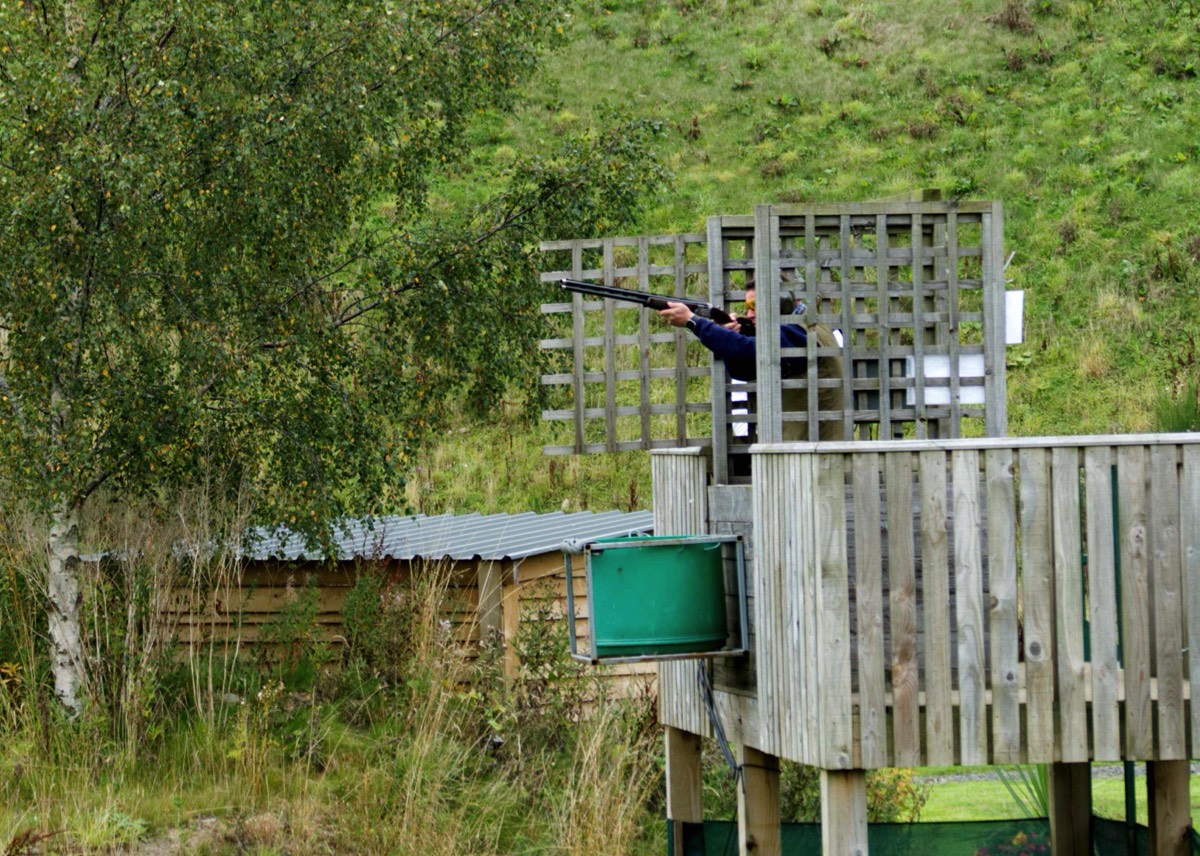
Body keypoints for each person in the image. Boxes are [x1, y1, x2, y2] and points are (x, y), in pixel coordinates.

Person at [657, 285, 845, 441]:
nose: (750, 314)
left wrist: (694, 322)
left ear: (781, 303)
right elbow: (744, 370)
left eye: (755, 306)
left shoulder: (802, 334)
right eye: (747, 306)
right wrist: (735, 335)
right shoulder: (808, 328)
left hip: (818, 455)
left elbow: (748, 351)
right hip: (808, 449)